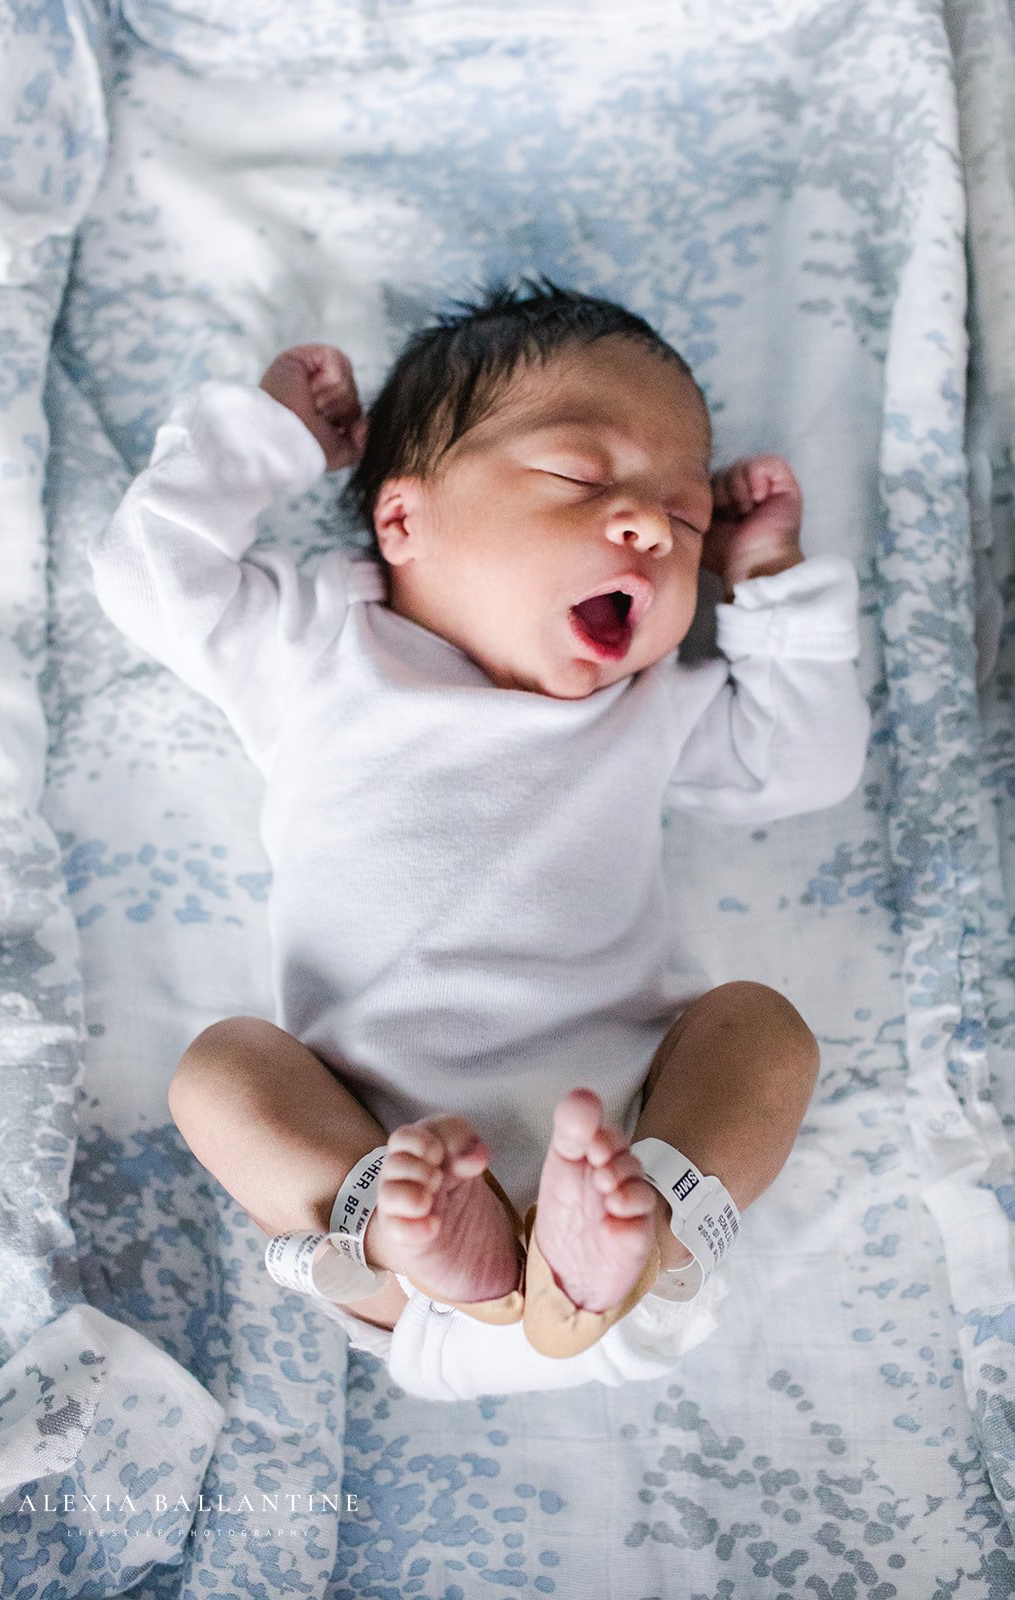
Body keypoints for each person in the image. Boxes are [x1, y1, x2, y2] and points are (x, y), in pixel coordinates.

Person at [90, 281, 870, 1401]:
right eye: (579, 476)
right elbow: (146, 572)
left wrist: (765, 582)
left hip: (626, 1115)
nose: (650, 527)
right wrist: (262, 437)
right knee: (223, 1073)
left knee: (759, 1033)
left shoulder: (646, 704)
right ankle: (428, 1252)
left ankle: (627, 1237)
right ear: (402, 521)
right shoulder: (319, 646)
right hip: (374, 1136)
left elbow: (804, 760)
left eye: (685, 518)